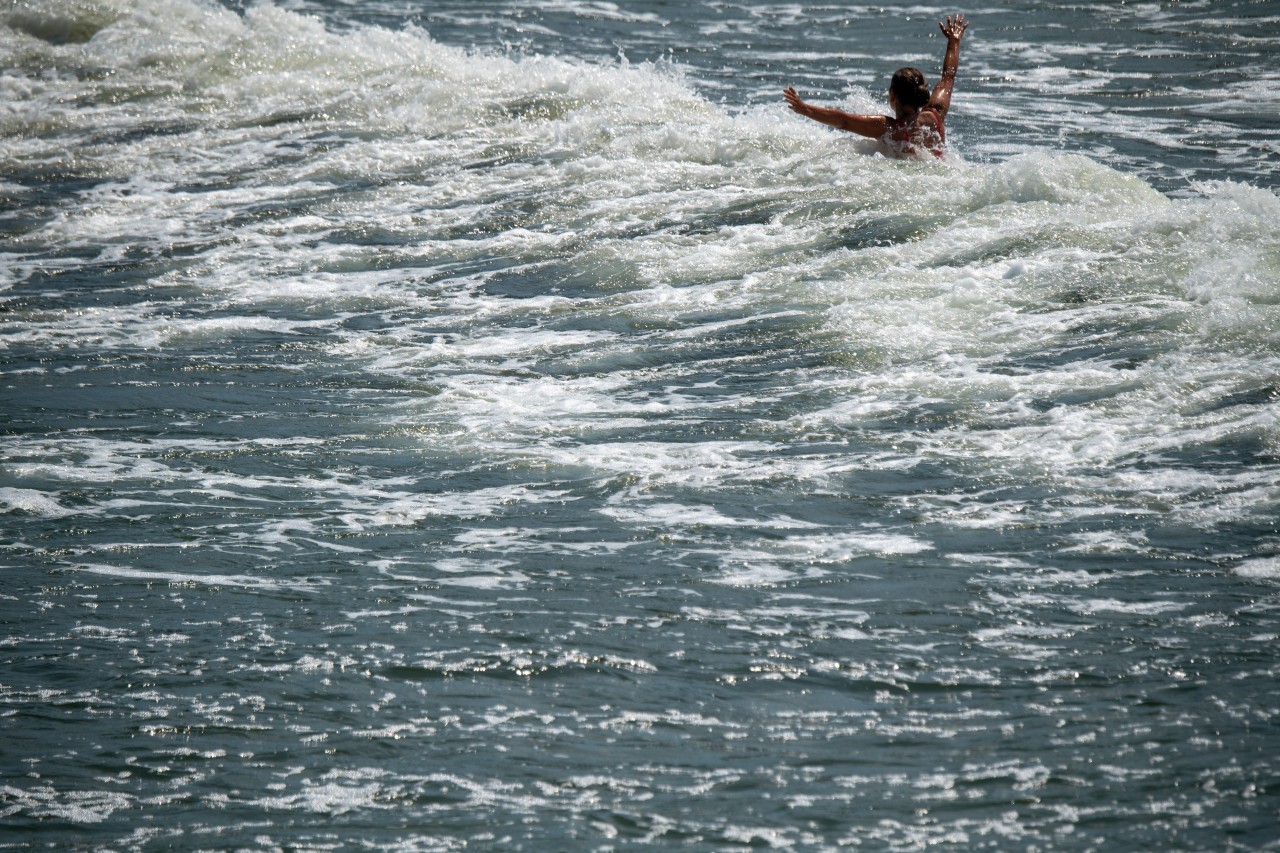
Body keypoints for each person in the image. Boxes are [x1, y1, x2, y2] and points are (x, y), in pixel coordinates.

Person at [783, 14, 969, 159]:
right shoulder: (935, 115)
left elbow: (844, 121)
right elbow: (948, 77)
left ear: (893, 96)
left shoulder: (889, 127)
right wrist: (954, 41)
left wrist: (805, 109)